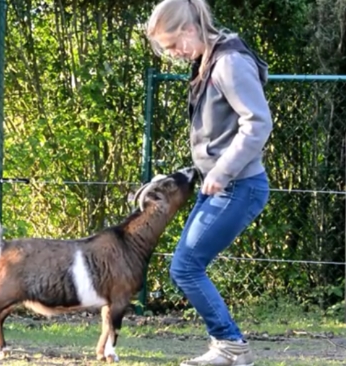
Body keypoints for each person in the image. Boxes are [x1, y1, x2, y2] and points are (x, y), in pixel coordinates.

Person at [145, 0, 273, 365]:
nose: (174, 54)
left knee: (185, 266)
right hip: (221, 185)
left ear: (188, 29)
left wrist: (221, 171)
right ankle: (227, 346)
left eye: (172, 45)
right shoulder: (209, 60)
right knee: (184, 266)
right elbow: (220, 135)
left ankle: (231, 347)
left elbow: (258, 123)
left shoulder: (229, 62)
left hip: (239, 186)